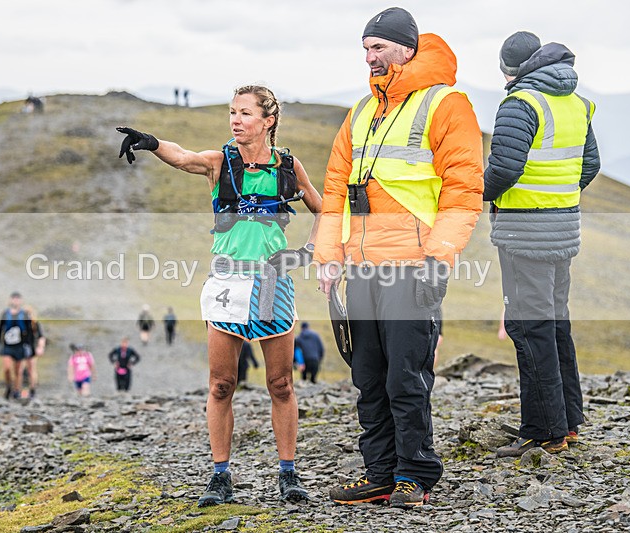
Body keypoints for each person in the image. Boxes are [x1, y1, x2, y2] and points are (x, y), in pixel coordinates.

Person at [116, 84, 322, 506]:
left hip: (272, 283)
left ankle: (288, 475)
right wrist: (151, 143)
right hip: (227, 283)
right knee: (222, 384)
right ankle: (220, 477)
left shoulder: (288, 166)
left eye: (245, 113)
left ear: (268, 121)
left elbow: (324, 210)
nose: (235, 120)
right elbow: (183, 157)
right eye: (232, 112)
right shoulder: (220, 162)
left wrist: (306, 254)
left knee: (281, 384)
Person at [314, 7, 483, 507]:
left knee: (405, 376)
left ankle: (415, 474)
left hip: (413, 265)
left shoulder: (447, 104)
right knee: (368, 377)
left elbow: (463, 189)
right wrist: (328, 257)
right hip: (362, 268)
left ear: (407, 49)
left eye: (379, 48)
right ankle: (380, 473)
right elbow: (334, 190)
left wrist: (440, 256)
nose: (370, 58)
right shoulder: (360, 112)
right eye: (365, 49)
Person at [484, 32, 600, 458]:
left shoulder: (521, 103)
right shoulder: (576, 101)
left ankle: (542, 431)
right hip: (563, 228)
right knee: (554, 323)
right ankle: (567, 422)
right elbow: (590, 164)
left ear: (510, 68)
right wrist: (559, 199)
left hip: (524, 232)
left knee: (529, 328)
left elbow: (505, 168)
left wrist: (478, 193)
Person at [0, 292, 34, 400]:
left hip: (20, 345)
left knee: (18, 371)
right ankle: (8, 387)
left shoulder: (24, 314)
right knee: (7, 368)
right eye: (13, 299)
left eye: (17, 299)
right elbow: (0, 329)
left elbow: (29, 331)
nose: (15, 301)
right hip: (7, 345)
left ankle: (17, 390)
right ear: (10, 300)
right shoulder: (5, 314)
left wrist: (29, 346)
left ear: (20, 301)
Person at [19, 305, 46, 399]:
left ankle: (32, 389)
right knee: (20, 370)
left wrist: (40, 347)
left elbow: (41, 336)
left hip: (32, 349)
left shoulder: (34, 324)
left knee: (31, 369)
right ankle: (20, 390)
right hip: (21, 349)